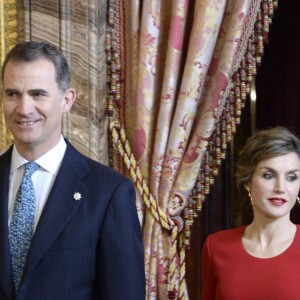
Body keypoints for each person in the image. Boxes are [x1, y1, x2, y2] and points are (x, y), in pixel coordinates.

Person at [0, 41, 145, 299]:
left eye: (38, 94)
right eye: (13, 94)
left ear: (66, 100)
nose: (24, 108)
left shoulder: (108, 193)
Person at [201, 127, 300, 299]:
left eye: (291, 177)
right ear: (248, 181)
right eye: (269, 175)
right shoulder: (216, 247)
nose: (280, 188)